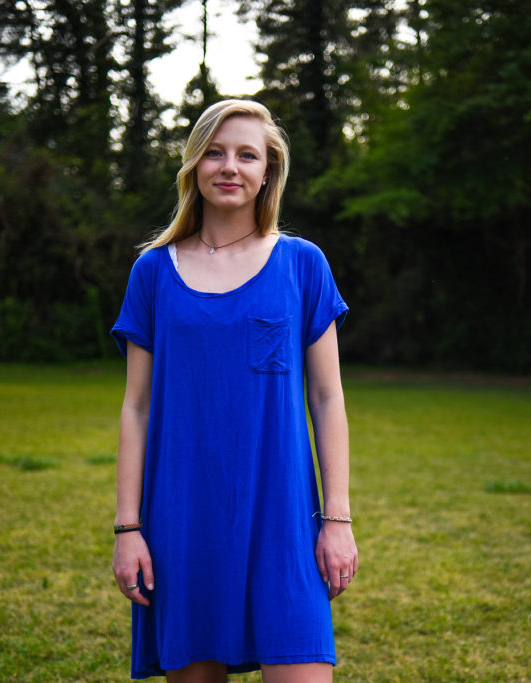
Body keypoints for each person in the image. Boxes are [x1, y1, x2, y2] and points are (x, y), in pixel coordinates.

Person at [109, 99, 357, 682]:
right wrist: (128, 529)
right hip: (183, 518)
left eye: (247, 155)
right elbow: (136, 407)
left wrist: (337, 520)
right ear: (194, 165)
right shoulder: (153, 271)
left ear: (268, 170)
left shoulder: (302, 264)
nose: (230, 167)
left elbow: (327, 398)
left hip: (285, 518)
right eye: (215, 153)